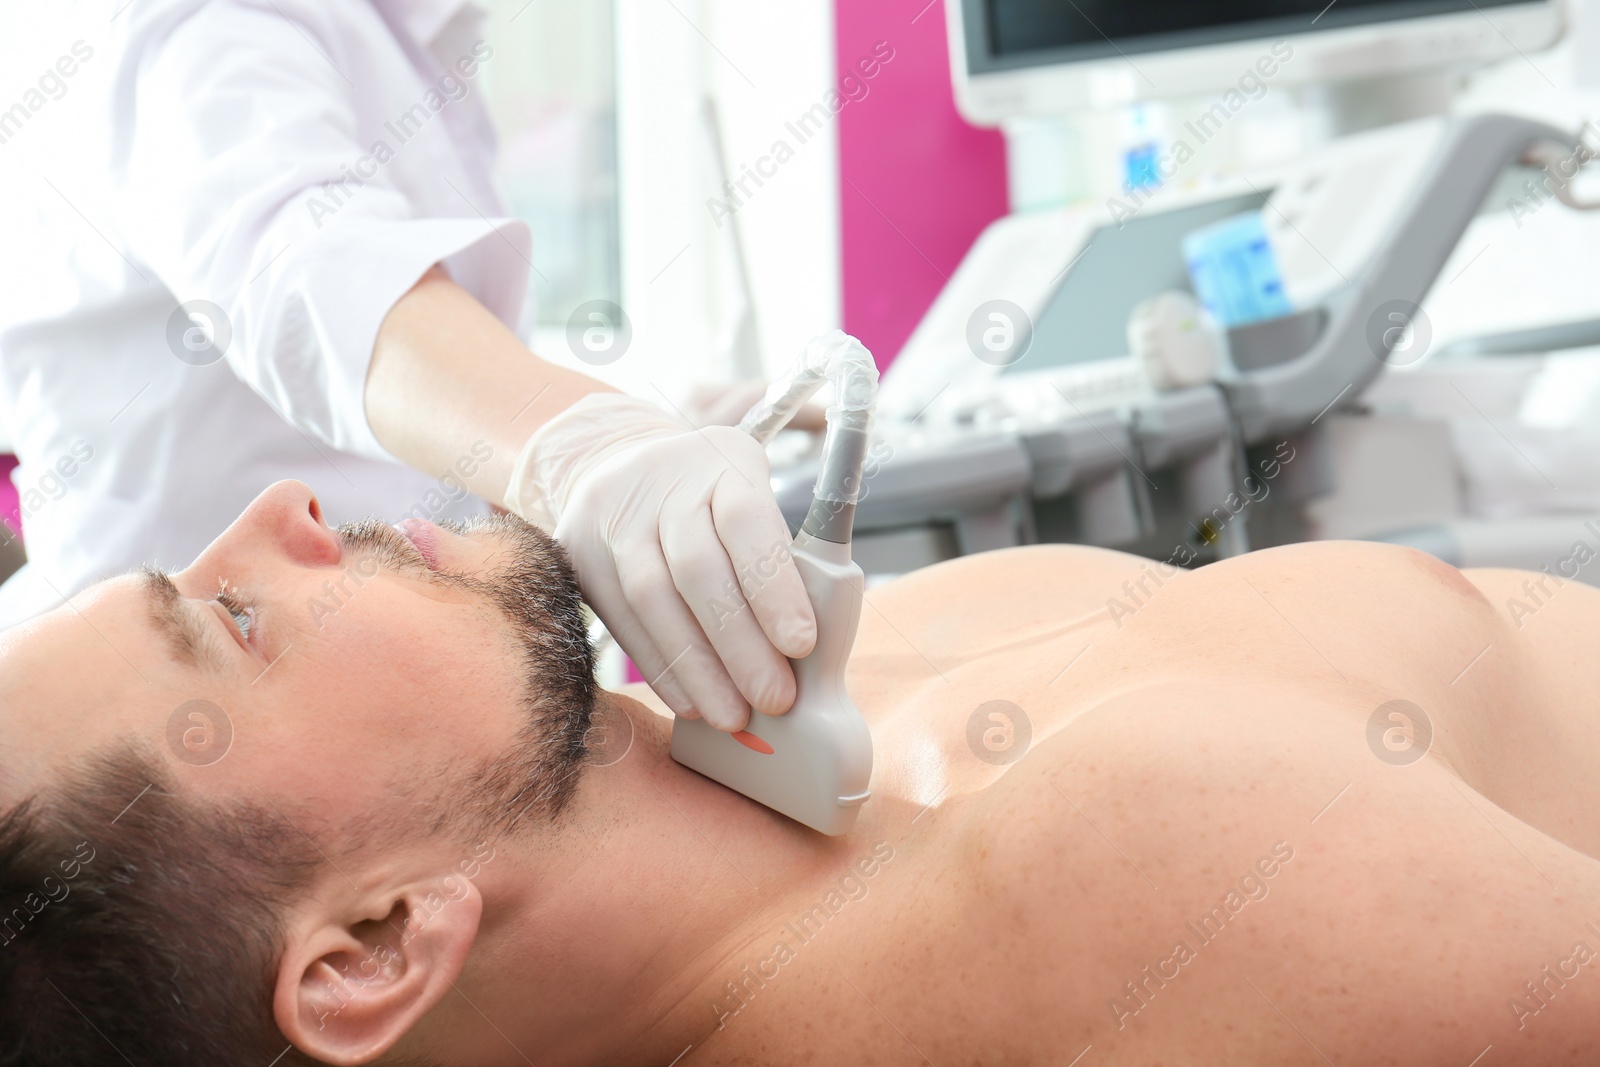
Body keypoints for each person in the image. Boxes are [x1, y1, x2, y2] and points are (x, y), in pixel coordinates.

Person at [3, 479, 1600, 1065]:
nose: (286, 511)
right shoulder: (1122, 874)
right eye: (226, 619)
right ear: (373, 946)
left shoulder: (802, 724)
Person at [0, 0, 811, 733]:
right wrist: (577, 438)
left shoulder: (407, 40)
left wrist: (633, 428)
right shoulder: (201, 26)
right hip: (201, 743)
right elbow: (309, 267)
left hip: (355, 686)